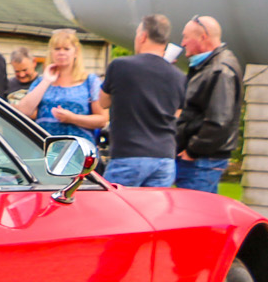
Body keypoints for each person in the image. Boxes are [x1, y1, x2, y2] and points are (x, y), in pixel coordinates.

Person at [98, 14, 185, 187]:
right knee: (151, 213)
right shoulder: (179, 76)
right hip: (164, 157)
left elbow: (103, 102)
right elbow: (177, 113)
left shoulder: (120, 66)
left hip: (129, 154)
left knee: (117, 210)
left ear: (143, 36)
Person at [175, 14, 244, 193]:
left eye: (186, 37)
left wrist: (192, 151)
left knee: (196, 213)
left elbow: (219, 122)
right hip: (201, 158)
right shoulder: (207, 67)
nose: (182, 43)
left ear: (202, 37)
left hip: (202, 160)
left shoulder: (219, 71)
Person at [15, 30, 107, 141]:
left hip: (78, 149)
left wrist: (73, 118)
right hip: (46, 148)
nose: (61, 53)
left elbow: (102, 120)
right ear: (51, 52)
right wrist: (46, 81)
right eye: (57, 49)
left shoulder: (90, 81)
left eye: (66, 49)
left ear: (76, 52)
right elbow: (23, 111)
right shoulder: (41, 81)